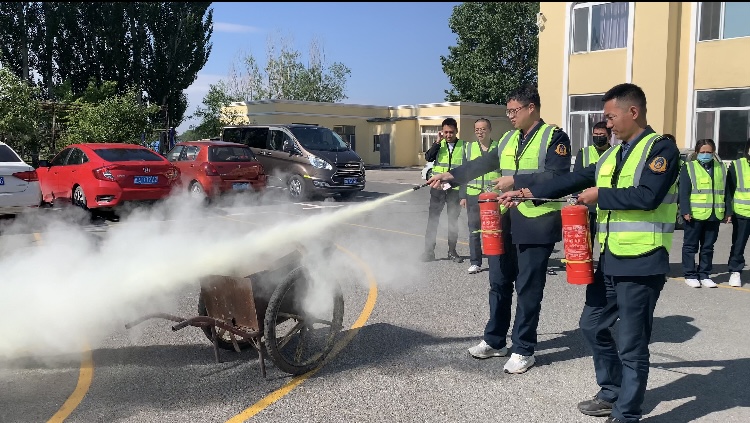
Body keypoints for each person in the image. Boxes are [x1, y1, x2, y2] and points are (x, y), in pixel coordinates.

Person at [496, 83, 679, 423]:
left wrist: (600, 196)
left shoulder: (661, 150)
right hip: (610, 258)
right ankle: (612, 391)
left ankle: (627, 412)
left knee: (632, 343)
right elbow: (573, 179)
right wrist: (526, 191)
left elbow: (647, 197)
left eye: (611, 117)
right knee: (592, 325)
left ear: (633, 112)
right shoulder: (612, 153)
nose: (607, 125)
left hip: (643, 260)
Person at [427, 85, 572, 374]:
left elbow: (557, 176)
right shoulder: (508, 138)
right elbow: (484, 162)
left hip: (536, 222)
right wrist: (452, 175)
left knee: (529, 289)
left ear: (532, 108)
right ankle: (495, 340)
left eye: (513, 111)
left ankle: (523, 348)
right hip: (505, 220)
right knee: (499, 281)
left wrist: (515, 180)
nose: (510, 116)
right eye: (507, 111)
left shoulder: (555, 137)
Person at [679, 139, 726, 288]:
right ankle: (690, 274)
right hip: (694, 214)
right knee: (690, 246)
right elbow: (683, 191)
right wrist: (685, 210)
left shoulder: (721, 167)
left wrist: (727, 211)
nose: (706, 155)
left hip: (714, 213)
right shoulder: (689, 167)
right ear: (697, 153)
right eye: (703, 152)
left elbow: (727, 191)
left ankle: (704, 274)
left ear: (714, 153)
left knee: (708, 247)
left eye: (709, 152)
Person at [421, 117, 465, 263]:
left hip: (454, 189)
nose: (448, 135)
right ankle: (428, 252)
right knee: (433, 220)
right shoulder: (439, 145)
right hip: (438, 189)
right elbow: (428, 157)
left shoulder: (464, 146)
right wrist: (437, 141)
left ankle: (452, 252)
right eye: (445, 132)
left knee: (453, 221)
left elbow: (467, 171)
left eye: (451, 132)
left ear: (456, 131)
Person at [459, 118, 500, 274]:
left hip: (493, 197)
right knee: (474, 230)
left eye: (483, 129)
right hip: (473, 195)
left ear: (489, 129)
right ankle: (475, 261)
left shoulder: (499, 148)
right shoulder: (469, 149)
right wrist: (462, 195)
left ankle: (496, 259)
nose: (480, 132)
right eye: (477, 130)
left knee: (494, 229)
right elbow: (463, 173)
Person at [575, 121, 613, 242]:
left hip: (607, 204)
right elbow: (576, 179)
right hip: (588, 205)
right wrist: (576, 200)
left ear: (609, 136)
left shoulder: (616, 153)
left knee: (607, 241)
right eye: (595, 134)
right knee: (586, 241)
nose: (598, 137)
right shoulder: (584, 153)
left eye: (601, 134)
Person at [725, 142, 750, 287]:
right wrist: (729, 211)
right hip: (742, 213)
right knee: (739, 245)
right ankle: (735, 271)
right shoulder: (737, 165)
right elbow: (729, 190)